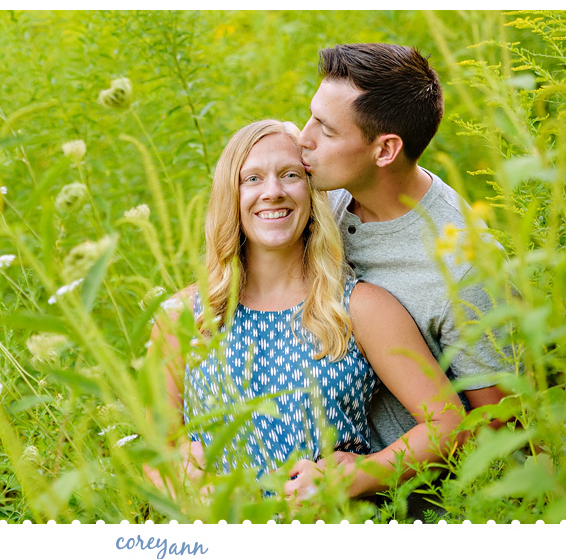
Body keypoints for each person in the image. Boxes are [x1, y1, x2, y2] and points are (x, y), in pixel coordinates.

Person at [145, 119, 464, 501]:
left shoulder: (359, 308)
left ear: (313, 193)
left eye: (290, 175)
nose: (273, 192)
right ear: (230, 194)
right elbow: (153, 452)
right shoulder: (183, 316)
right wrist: (185, 481)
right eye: (252, 179)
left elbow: (449, 425)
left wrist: (357, 476)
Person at [296, 43, 509, 456]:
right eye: (311, 116)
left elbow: (499, 424)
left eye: (327, 129)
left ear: (385, 150)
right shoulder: (328, 198)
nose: (303, 138)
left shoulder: (466, 266)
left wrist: (363, 476)